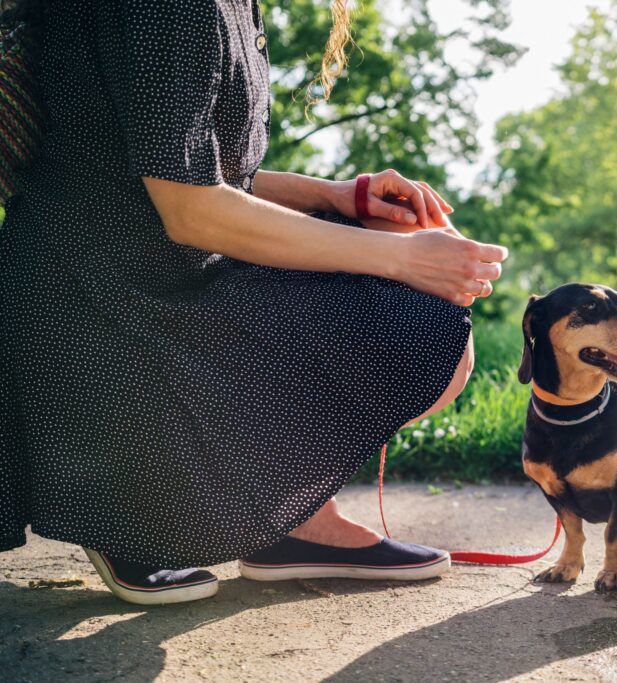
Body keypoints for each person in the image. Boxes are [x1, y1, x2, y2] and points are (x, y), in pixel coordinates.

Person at [0, 0, 507, 605]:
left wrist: (342, 196)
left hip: (157, 273)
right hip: (99, 300)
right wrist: (403, 258)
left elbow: (192, 170)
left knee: (414, 301)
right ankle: (132, 498)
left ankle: (284, 520)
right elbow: (191, 209)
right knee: (414, 319)